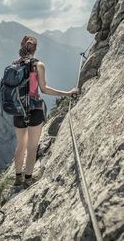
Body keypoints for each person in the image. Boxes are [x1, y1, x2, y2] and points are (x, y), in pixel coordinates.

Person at [13, 35, 79, 188]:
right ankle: (28, 179)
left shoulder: (14, 65)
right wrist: (68, 93)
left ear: (21, 47)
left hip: (18, 110)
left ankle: (17, 178)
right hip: (34, 110)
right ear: (35, 49)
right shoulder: (38, 65)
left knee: (20, 145)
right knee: (32, 146)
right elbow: (44, 89)